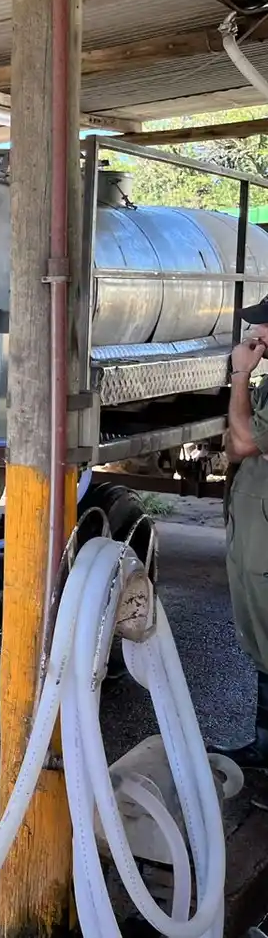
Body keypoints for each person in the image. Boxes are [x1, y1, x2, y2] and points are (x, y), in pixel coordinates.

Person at [211, 302, 268, 768]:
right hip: (255, 529)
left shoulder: (256, 381)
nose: (257, 330)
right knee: (262, 642)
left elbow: (245, 441)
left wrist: (238, 377)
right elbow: (236, 446)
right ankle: (264, 747)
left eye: (266, 324)